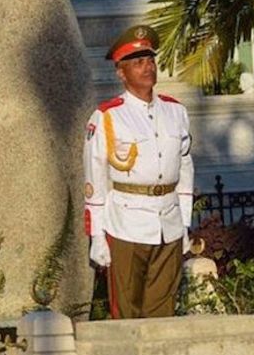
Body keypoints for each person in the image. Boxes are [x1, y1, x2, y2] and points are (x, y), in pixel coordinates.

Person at [83, 25, 194, 319]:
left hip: (168, 222)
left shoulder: (175, 112)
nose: (148, 68)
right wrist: (96, 236)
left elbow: (184, 169)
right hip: (126, 225)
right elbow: (94, 178)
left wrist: (184, 223)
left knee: (163, 314)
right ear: (121, 72)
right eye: (138, 62)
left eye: (150, 60)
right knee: (126, 315)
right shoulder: (108, 116)